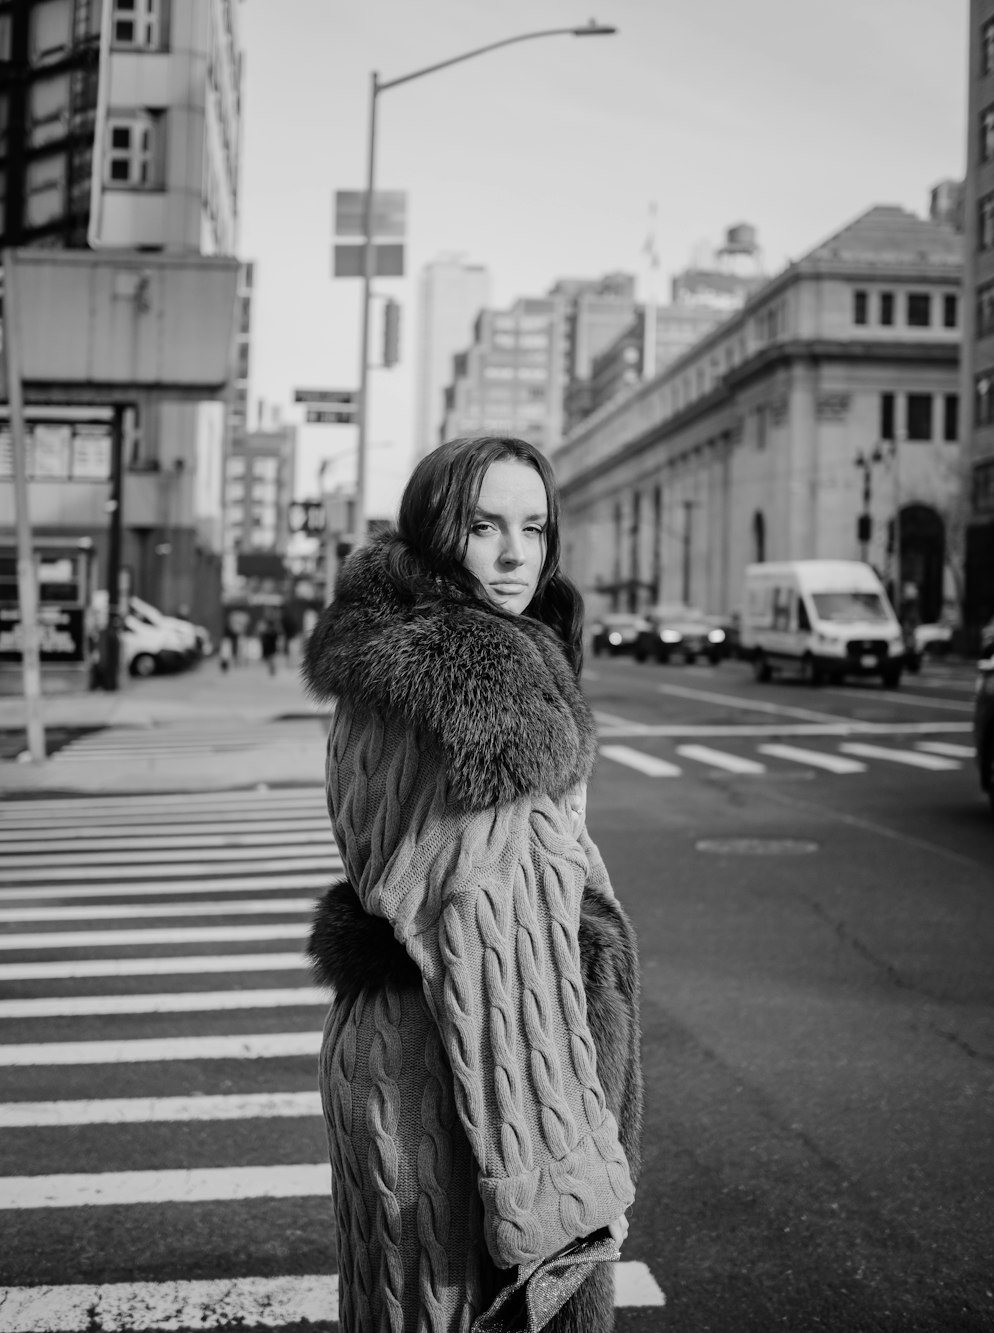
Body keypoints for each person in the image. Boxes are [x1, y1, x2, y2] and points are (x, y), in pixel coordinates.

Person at [303, 436, 642, 1332]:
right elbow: (496, 950)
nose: (513, 553)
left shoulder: (392, 666)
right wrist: (558, 1189)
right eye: (484, 525)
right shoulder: (477, 692)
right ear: (435, 534)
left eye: (533, 527)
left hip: (394, 1050)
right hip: (457, 1089)